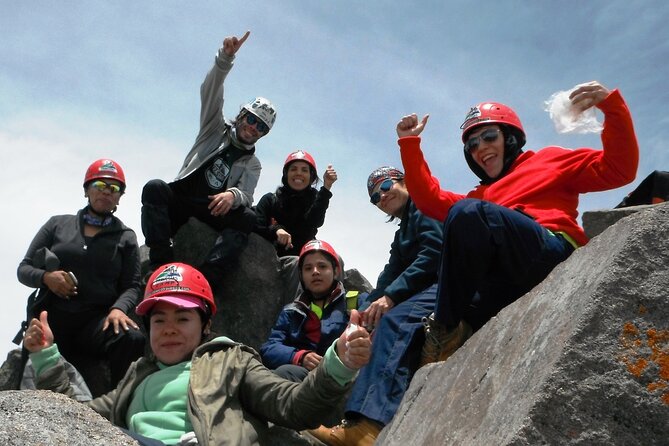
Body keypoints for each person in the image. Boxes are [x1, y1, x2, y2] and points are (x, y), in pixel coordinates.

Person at [394, 81, 639, 366]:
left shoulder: (549, 160)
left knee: (469, 213)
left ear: (509, 137)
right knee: (405, 317)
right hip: (504, 278)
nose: (480, 148)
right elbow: (429, 200)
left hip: (549, 252)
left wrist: (612, 107)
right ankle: (445, 336)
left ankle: (445, 330)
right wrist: (409, 143)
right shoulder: (480, 197)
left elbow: (619, 169)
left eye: (488, 136)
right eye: (472, 145)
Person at [23, 262, 372, 446]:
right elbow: (73, 422)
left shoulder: (231, 362)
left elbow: (292, 405)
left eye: (183, 318)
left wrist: (337, 363)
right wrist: (45, 357)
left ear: (205, 325)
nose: (169, 328)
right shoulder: (137, 375)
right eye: (159, 320)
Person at [308, 166, 443, 446]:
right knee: (376, 322)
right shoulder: (404, 230)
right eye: (374, 197)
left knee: (395, 321)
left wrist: (391, 297)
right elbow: (389, 274)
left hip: (449, 284)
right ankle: (355, 420)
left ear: (406, 182)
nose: (382, 197)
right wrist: (365, 311)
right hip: (432, 288)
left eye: (385, 186)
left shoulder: (425, 207)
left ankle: (369, 426)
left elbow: (434, 253)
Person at [141, 30, 277, 284]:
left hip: (212, 209)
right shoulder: (214, 128)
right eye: (250, 119)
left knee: (246, 217)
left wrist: (232, 195)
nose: (252, 128)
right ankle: (160, 263)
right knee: (155, 189)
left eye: (261, 127)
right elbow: (210, 91)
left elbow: (247, 195)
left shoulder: (253, 164)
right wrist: (225, 59)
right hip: (183, 198)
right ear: (241, 115)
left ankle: (208, 279)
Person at [17, 159, 145, 393]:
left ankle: (120, 407)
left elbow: (132, 285)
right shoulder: (57, 225)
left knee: (132, 339)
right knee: (33, 357)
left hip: (94, 323)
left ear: (119, 197)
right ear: (86, 189)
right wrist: (47, 278)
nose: (106, 191)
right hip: (53, 318)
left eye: (114, 188)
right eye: (99, 185)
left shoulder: (126, 237)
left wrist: (118, 309)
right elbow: (23, 269)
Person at [260, 239, 365, 383]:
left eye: (322, 266)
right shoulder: (292, 311)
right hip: (305, 377)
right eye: (308, 268)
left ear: (335, 271)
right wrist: (299, 357)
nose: (315, 272)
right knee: (277, 374)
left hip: (345, 378)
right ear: (301, 276)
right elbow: (269, 348)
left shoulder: (357, 303)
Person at [254, 150, 338, 299]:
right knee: (296, 263)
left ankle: (334, 314)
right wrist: (276, 230)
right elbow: (255, 224)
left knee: (335, 260)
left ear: (311, 177)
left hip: (307, 260)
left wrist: (326, 188)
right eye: (293, 169)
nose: (298, 173)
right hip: (273, 260)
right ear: (286, 174)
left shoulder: (315, 200)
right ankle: (291, 315)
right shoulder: (270, 200)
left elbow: (315, 221)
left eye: (304, 170)